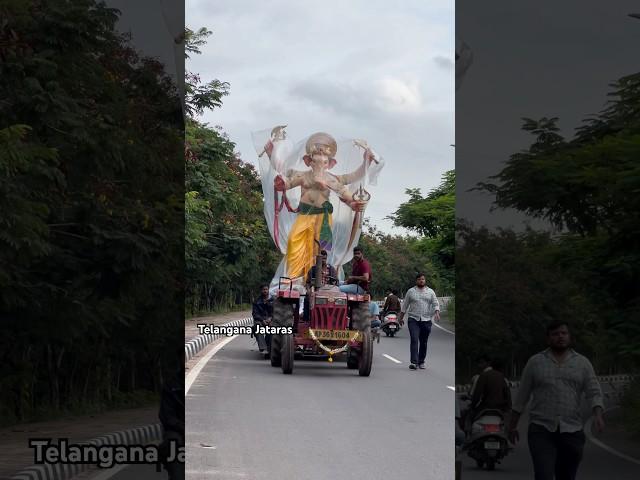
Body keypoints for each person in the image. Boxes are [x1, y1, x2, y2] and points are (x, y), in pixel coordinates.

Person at [265, 132, 376, 279]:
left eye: (324, 162)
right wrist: (272, 155)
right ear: (308, 161)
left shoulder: (331, 179)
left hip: (322, 219)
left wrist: (353, 202)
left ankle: (315, 278)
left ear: (330, 164)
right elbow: (285, 174)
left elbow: (347, 185)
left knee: (318, 250)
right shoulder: (302, 176)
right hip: (304, 216)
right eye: (316, 161)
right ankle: (293, 277)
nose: (320, 165)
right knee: (294, 242)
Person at [508, 320, 605, 480]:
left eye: (563, 333)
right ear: (548, 339)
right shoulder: (535, 362)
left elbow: (594, 392)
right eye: (555, 334)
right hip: (541, 429)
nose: (560, 337)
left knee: (566, 475)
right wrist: (512, 426)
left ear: (570, 337)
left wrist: (598, 415)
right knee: (543, 474)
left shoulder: (582, 363)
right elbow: (521, 397)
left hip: (572, 430)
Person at [398, 273, 440, 370]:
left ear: (425, 281)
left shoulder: (430, 292)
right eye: (420, 279)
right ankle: (414, 362)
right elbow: (405, 305)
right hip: (413, 319)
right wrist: (400, 318)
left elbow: (435, 302)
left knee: (423, 341)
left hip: (426, 319)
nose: (421, 281)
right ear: (416, 281)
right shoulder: (411, 291)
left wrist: (437, 312)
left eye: (423, 279)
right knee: (414, 339)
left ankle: (421, 361)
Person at [252, 285, 273, 358]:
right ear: (261, 290)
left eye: (266, 289)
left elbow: (275, 312)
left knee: (273, 329)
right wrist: (262, 320)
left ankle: (269, 348)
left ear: (268, 290)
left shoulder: (273, 300)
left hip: (271, 320)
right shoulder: (256, 301)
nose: (265, 291)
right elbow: (255, 314)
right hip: (260, 320)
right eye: (263, 289)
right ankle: (263, 348)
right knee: (257, 327)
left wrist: (270, 319)